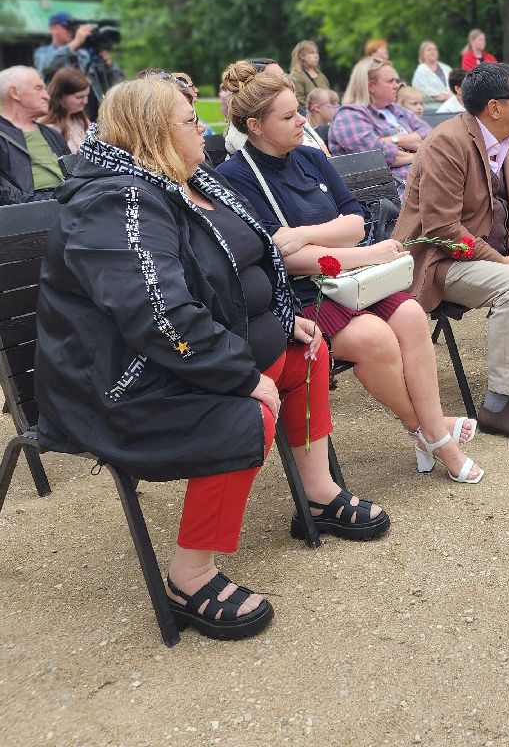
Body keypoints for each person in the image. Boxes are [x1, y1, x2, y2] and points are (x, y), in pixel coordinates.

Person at [35, 77, 375, 641]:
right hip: (128, 381)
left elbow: (247, 260)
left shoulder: (188, 180)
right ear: (152, 134)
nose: (205, 129)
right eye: (191, 121)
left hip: (196, 351)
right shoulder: (116, 201)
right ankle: (190, 576)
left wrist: (283, 320)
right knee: (246, 412)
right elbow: (157, 313)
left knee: (306, 353)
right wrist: (241, 375)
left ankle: (317, 495)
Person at [215, 63, 484, 481]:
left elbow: (355, 222)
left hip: (351, 278)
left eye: (299, 110)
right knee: (375, 338)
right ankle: (433, 433)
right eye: (288, 117)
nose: (303, 121)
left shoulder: (309, 158)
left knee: (412, 315)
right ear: (255, 125)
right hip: (299, 296)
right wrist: (365, 253)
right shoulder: (235, 177)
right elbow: (280, 260)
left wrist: (303, 234)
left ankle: (431, 433)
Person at [394, 63, 509, 442]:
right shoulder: (447, 143)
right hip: (438, 261)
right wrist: (504, 261)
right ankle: (499, 404)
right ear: (495, 107)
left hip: (491, 254)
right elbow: (441, 230)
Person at [0, 66, 72, 205]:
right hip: (33, 208)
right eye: (38, 88)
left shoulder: (51, 133)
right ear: (14, 93)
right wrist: (30, 202)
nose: (47, 96)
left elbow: (74, 173)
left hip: (69, 200)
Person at [329, 57, 432, 193]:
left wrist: (395, 139)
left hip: (421, 182)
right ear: (371, 86)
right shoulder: (348, 117)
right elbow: (380, 156)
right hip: (392, 195)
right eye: (390, 81)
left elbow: (431, 136)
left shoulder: (394, 109)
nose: (397, 85)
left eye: (396, 80)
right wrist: (421, 153)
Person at [33, 11, 120, 116]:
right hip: (60, 114)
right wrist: (76, 42)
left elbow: (111, 79)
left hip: (90, 112)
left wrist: (109, 65)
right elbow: (47, 66)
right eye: (67, 28)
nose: (71, 32)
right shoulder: (43, 52)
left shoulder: (83, 53)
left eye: (73, 29)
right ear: (53, 28)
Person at [41, 66, 93, 152]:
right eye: (79, 97)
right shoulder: (48, 130)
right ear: (61, 96)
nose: (85, 101)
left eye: (87, 95)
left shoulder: (82, 121)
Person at [411, 40, 452, 110]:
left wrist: (450, 94)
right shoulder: (420, 71)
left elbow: (455, 83)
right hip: (431, 109)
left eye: (434, 49)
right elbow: (419, 90)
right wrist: (437, 96)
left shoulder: (447, 68)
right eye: (429, 50)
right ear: (422, 55)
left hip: (450, 106)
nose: (433, 51)